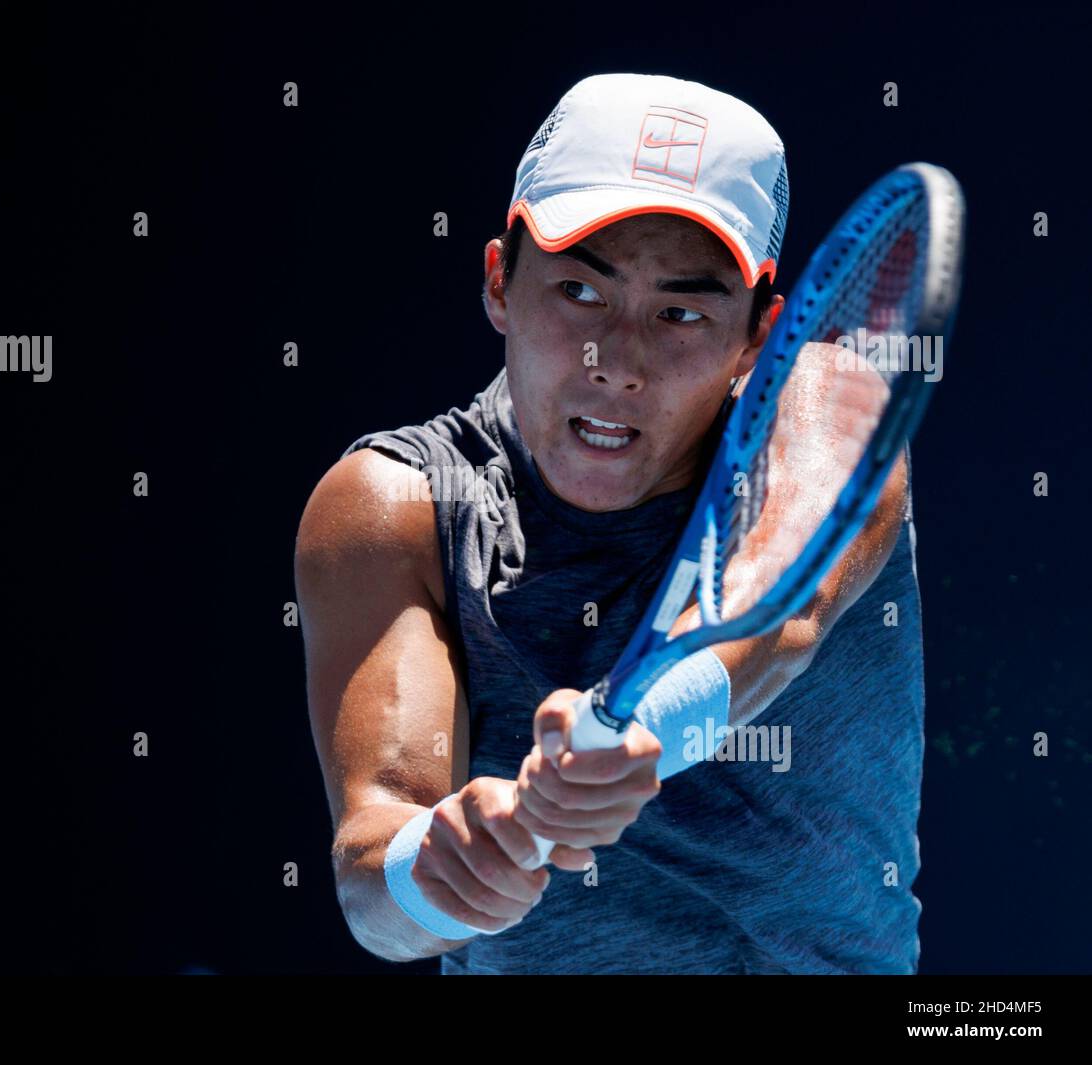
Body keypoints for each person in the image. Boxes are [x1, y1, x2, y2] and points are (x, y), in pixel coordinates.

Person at [296, 73, 925, 974]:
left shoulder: (829, 405)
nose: (618, 361)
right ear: (499, 281)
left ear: (760, 335)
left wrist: (639, 736)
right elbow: (374, 875)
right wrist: (440, 866)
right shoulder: (394, 503)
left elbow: (780, 607)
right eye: (581, 293)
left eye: (682, 311)